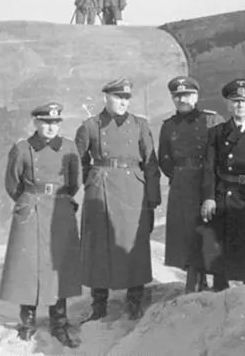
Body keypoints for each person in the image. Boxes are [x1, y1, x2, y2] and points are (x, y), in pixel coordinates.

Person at [76, 78, 161, 322]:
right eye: (117, 98)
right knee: (99, 245)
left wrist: (152, 197)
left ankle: (135, 300)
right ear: (106, 98)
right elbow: (77, 162)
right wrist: (92, 182)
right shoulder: (90, 126)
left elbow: (151, 163)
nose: (122, 102)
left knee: (133, 244)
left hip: (133, 188)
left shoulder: (140, 125)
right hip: (101, 190)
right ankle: (99, 303)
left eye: (126, 99)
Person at [0, 103, 81, 348]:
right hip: (31, 209)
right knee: (29, 266)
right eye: (46, 122)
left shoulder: (68, 147)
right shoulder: (22, 148)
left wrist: (58, 198)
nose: (51, 127)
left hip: (59, 209)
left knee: (59, 266)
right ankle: (28, 322)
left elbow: (74, 181)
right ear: (35, 123)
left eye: (55, 123)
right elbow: (12, 183)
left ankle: (59, 322)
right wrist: (28, 201)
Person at [199, 78, 245, 290]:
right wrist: (208, 197)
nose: (239, 105)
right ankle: (220, 291)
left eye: (244, 100)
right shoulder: (216, 133)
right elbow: (209, 168)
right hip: (226, 196)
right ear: (228, 105)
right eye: (235, 101)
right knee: (222, 248)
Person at [158, 76, 224, 293]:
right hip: (182, 185)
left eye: (186, 95)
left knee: (211, 231)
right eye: (177, 96)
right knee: (186, 233)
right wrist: (179, 176)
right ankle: (194, 279)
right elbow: (164, 159)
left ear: (196, 96)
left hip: (209, 181)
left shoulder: (212, 120)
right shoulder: (168, 126)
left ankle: (219, 282)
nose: (182, 99)